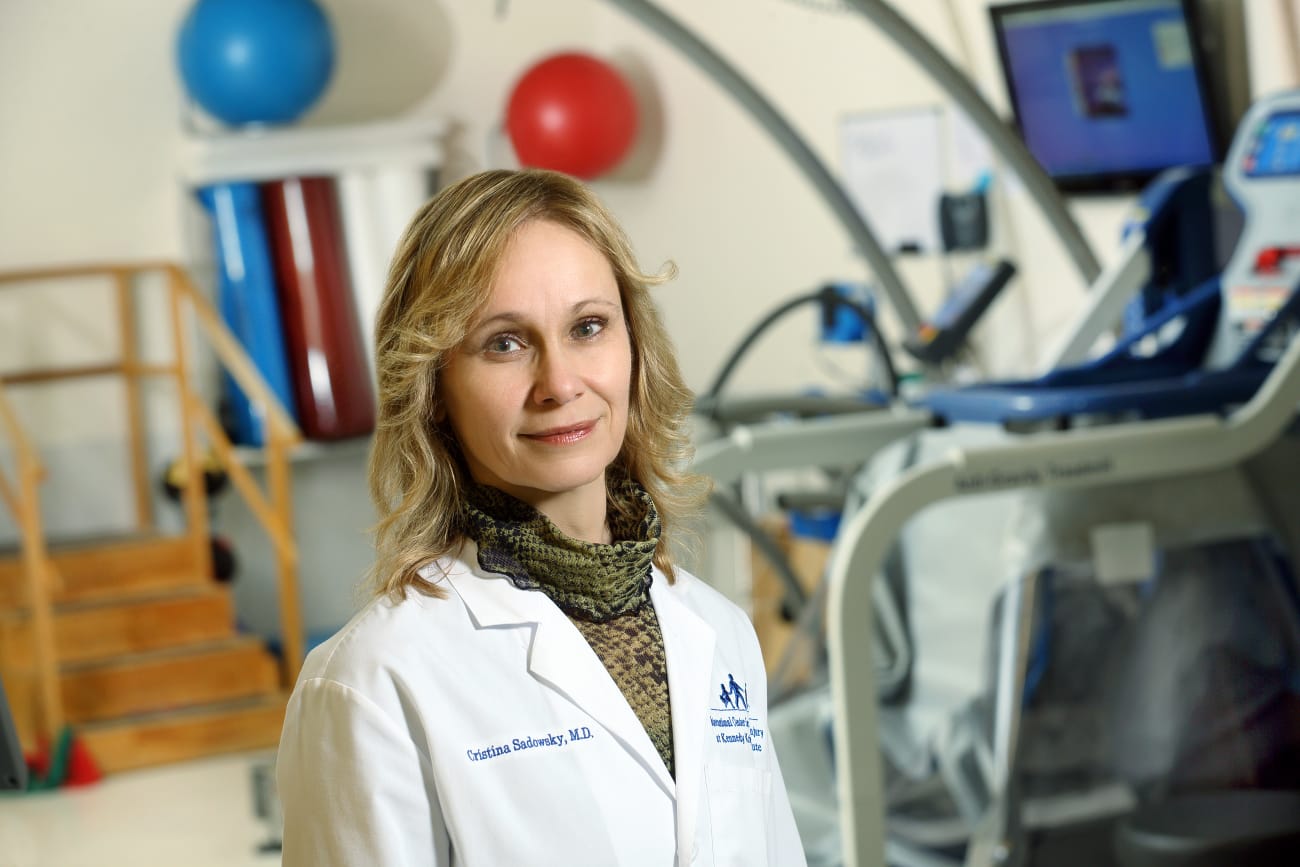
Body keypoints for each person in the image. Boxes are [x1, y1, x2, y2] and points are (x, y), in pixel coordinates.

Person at [276, 168, 807, 867]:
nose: (560, 383)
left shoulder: (720, 632)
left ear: (632, 348)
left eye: (588, 327)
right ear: (434, 386)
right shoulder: (374, 680)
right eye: (505, 342)